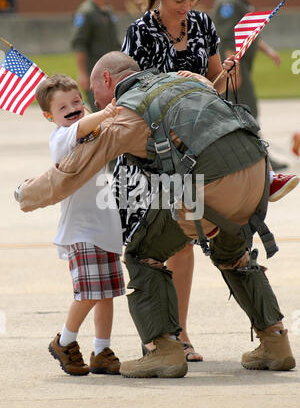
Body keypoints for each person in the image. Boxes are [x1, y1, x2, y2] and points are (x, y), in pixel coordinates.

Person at [17, 52, 296, 378]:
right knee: (232, 251)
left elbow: (72, 171)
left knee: (142, 253)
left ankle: (163, 350)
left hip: (211, 185)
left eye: (94, 94)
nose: (94, 104)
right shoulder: (180, 79)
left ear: (107, 81)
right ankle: (275, 342)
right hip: (256, 175)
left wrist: (26, 194)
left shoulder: (129, 111)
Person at [113, 0, 239, 362]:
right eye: (178, 1)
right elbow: (127, 91)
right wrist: (174, 82)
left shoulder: (202, 24)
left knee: (184, 241)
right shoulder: (140, 32)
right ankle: (159, 336)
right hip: (152, 149)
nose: (186, 9)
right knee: (156, 240)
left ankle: (180, 333)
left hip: (196, 143)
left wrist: (216, 76)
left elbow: (214, 82)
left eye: (191, 0)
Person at [35, 74, 125, 376]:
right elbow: (80, 127)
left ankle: (102, 350)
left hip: (106, 224)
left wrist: (109, 116)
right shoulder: (61, 138)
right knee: (89, 292)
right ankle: (64, 340)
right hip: (81, 229)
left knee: (107, 293)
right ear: (50, 116)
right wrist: (107, 111)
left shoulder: (93, 129)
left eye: (76, 102)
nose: (72, 109)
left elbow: (100, 129)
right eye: (63, 107)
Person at [213, 0, 287, 171]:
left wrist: (269, 51)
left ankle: (256, 157)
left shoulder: (238, 0)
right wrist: (233, 71)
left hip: (240, 64)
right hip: (236, 65)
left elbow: (250, 32)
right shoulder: (229, 2)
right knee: (247, 110)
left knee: (246, 109)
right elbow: (226, 38)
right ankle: (261, 160)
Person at [71, 0, 120, 112]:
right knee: (99, 112)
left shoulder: (108, 11)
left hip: (111, 73)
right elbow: (79, 43)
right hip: (95, 74)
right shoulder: (86, 12)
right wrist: (82, 74)